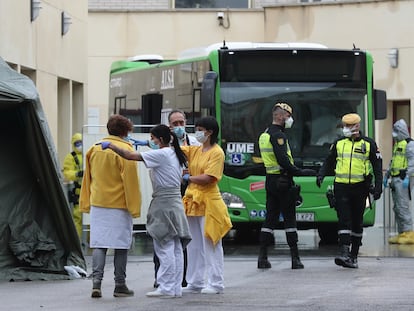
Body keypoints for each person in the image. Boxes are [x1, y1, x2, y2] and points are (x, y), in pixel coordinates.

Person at [103, 124, 192, 298]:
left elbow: (130, 155)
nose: (151, 141)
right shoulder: (175, 154)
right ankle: (174, 287)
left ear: (160, 139)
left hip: (164, 203)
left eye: (152, 138)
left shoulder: (162, 154)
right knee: (174, 248)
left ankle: (165, 287)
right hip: (174, 202)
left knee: (164, 245)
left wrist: (112, 145)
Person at [79, 114, 142, 298]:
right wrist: (135, 207)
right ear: (125, 131)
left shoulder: (94, 149)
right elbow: (130, 182)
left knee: (99, 243)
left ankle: (96, 284)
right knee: (121, 245)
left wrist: (86, 201)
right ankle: (120, 285)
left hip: (99, 203)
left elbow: (87, 179)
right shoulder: (125, 150)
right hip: (120, 205)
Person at [316, 113, 382, 269]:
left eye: (348, 126)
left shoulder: (368, 144)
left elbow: (378, 167)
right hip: (341, 187)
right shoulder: (339, 143)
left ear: (357, 126)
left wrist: (378, 187)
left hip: (360, 188)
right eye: (344, 126)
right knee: (344, 220)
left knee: (357, 222)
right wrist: (321, 175)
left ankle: (354, 255)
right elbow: (329, 161)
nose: (344, 129)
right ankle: (344, 252)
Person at [257, 102, 316, 270]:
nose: (290, 119)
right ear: (280, 116)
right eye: (288, 116)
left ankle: (262, 257)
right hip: (283, 181)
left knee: (270, 218)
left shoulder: (264, 134)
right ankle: (295, 259)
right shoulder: (278, 136)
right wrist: (302, 172)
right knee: (290, 219)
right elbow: (283, 160)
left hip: (271, 181)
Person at [180, 116, 232, 295]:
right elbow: (177, 151)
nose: (198, 132)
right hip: (194, 202)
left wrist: (189, 178)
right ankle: (195, 281)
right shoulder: (197, 150)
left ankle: (216, 282)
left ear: (209, 132)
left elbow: (210, 177)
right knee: (194, 245)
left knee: (211, 242)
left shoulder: (217, 152)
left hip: (209, 202)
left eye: (200, 129)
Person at [151, 109, 200, 289]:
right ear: (169, 125)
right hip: (170, 193)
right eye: (175, 124)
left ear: (186, 122)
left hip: (189, 191)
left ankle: (182, 278)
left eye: (181, 123)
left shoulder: (194, 143)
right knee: (162, 234)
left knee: (183, 237)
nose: (179, 126)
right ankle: (160, 277)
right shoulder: (162, 144)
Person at [384, 119, 414, 244]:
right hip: (395, 179)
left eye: (396, 131)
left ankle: (409, 233)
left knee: (403, 206)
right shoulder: (398, 144)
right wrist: (387, 175)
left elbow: (412, 162)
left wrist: (408, 177)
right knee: (397, 207)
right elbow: (394, 161)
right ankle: (402, 232)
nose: (394, 134)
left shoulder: (409, 144)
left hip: (403, 179)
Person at [63, 133, 83, 239]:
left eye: (81, 142)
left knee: (92, 220)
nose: (79, 145)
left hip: (92, 191)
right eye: (77, 143)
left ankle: (93, 244)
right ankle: (77, 242)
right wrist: (77, 174)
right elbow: (67, 172)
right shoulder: (71, 157)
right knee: (77, 218)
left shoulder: (89, 153)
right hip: (79, 192)